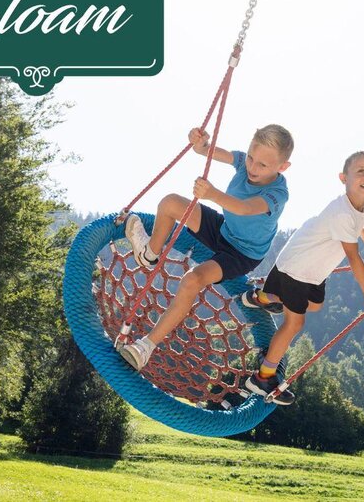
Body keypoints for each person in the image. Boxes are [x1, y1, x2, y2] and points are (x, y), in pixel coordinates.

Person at [118, 124, 293, 370]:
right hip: (224, 230)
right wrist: (199, 143)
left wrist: (212, 194)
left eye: (262, 165)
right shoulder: (243, 162)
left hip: (242, 254)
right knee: (170, 203)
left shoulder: (278, 193)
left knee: (192, 279)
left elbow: (244, 208)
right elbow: (207, 151)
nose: (252, 167)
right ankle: (150, 254)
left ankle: (146, 346)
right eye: (251, 158)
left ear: (282, 167)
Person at [242, 150, 364, 404]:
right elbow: (353, 257)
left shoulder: (362, 207)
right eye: (361, 171)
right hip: (297, 269)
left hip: (313, 272)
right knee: (294, 323)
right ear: (343, 177)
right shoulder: (342, 213)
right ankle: (263, 376)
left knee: (314, 305)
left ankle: (264, 297)